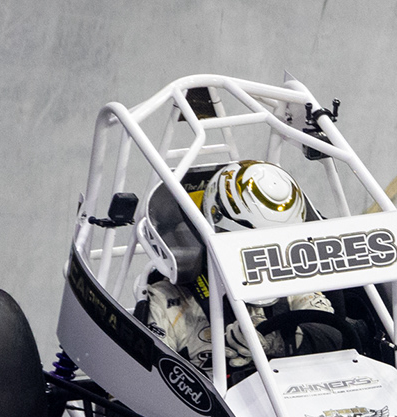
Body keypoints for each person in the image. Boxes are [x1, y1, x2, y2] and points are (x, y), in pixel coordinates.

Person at [142, 160, 338, 373]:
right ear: (219, 229)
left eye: (277, 244)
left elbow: (336, 333)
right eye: (256, 243)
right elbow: (150, 379)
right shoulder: (167, 301)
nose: (267, 256)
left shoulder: (295, 283)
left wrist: (281, 340)